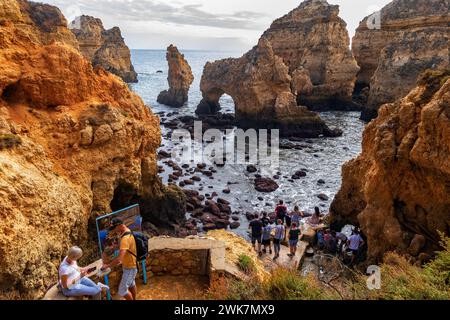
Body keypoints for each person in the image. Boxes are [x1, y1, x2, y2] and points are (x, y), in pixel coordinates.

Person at [101, 218, 138, 300]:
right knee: (131, 284)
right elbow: (126, 247)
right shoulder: (126, 231)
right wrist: (116, 246)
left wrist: (107, 266)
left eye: (114, 228)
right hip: (130, 264)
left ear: (120, 225)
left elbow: (119, 260)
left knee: (122, 291)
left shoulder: (125, 238)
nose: (113, 230)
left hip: (130, 267)